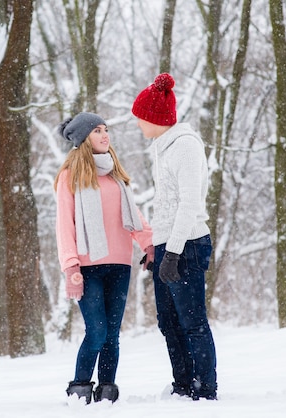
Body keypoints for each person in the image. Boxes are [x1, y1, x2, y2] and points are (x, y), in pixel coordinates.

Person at [54, 112, 154, 404]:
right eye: (97, 130)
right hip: (87, 267)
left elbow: (133, 216)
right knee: (96, 331)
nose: (104, 135)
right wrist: (71, 265)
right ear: (85, 138)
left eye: (105, 129)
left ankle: (107, 392)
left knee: (112, 334)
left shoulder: (115, 175)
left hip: (120, 264)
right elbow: (65, 224)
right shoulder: (69, 176)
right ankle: (80, 389)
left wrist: (148, 244)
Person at [131, 73, 218, 401]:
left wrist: (174, 252)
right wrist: (156, 247)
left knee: (192, 322)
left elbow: (189, 204)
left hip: (189, 245)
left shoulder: (185, 146)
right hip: (169, 244)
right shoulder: (162, 147)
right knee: (168, 322)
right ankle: (183, 385)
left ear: (155, 118)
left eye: (141, 118)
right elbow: (166, 204)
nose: (138, 123)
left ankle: (205, 389)